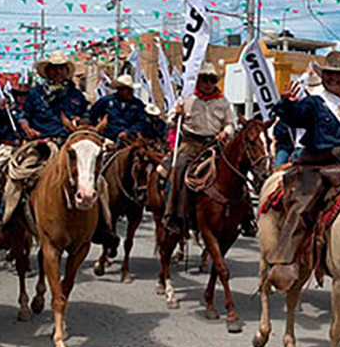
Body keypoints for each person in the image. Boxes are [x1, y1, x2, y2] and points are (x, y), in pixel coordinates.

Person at [267, 50, 340, 292]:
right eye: (329, 74)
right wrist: (287, 104)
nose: (333, 78)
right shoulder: (315, 103)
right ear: (323, 77)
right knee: (304, 204)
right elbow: (295, 117)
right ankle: (285, 261)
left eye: (338, 74)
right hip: (320, 165)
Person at [164, 61, 237, 235]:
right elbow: (170, 120)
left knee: (235, 171)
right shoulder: (186, 99)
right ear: (198, 81)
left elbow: (230, 123)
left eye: (212, 80)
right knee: (179, 170)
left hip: (214, 144)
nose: (209, 84)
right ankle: (173, 214)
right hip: (191, 144)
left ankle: (245, 216)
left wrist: (225, 133)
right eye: (205, 79)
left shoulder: (223, 101)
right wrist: (177, 114)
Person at [20, 51, 88, 140]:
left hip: (70, 139)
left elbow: (86, 114)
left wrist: (82, 121)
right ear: (47, 71)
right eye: (54, 68)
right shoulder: (36, 93)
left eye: (62, 68)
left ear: (67, 71)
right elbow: (24, 116)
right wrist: (28, 129)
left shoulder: (76, 94)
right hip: (42, 140)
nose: (58, 72)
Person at [89, 74, 151, 143]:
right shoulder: (106, 101)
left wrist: (128, 132)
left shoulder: (137, 104)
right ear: (119, 90)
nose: (130, 92)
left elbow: (142, 122)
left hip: (129, 140)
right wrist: (98, 128)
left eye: (131, 89)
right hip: (107, 138)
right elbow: (91, 116)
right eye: (127, 89)